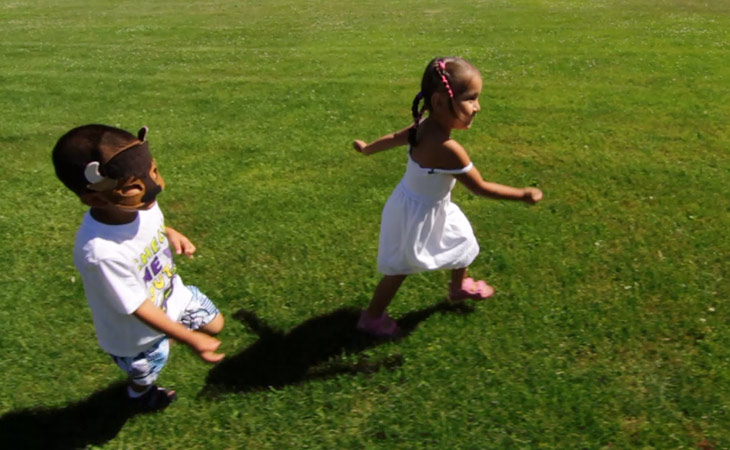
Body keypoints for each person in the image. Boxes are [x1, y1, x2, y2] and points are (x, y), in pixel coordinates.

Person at [352, 57, 543, 338]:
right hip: (416, 215)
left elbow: (394, 137)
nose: (478, 107)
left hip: (424, 205)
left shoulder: (423, 127)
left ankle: (458, 286)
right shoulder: (449, 149)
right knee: (400, 269)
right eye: (471, 99)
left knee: (462, 239)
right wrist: (523, 194)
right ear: (441, 102)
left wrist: (368, 148)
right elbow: (480, 187)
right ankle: (371, 318)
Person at [52, 124, 225, 411]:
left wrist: (171, 233)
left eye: (154, 172)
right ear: (95, 197)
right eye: (135, 186)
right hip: (136, 337)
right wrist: (188, 338)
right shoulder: (102, 252)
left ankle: (175, 327)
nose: (155, 185)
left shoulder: (140, 204)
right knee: (148, 372)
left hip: (172, 296)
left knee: (216, 324)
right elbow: (137, 306)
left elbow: (148, 223)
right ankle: (140, 395)